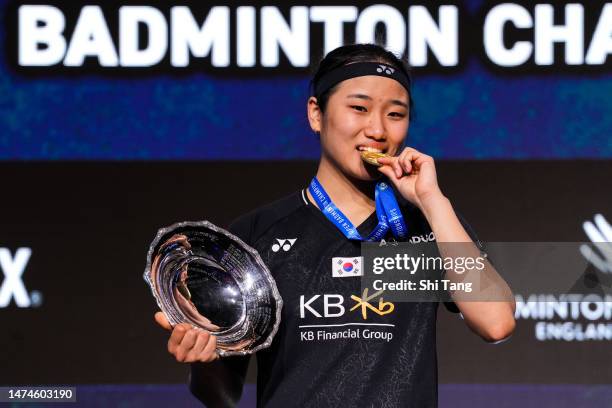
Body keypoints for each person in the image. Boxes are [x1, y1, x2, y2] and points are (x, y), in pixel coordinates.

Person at [154, 43, 516, 407]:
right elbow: (221, 394)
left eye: (395, 114)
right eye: (359, 108)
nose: (377, 129)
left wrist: (434, 201)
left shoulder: (430, 225)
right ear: (316, 114)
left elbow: (496, 323)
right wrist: (205, 360)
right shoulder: (257, 235)